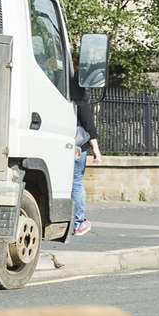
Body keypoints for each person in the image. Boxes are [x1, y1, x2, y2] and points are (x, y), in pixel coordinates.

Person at [73, 87, 100, 235]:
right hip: (77, 146)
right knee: (76, 182)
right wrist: (95, 149)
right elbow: (88, 123)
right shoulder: (78, 95)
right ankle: (79, 222)